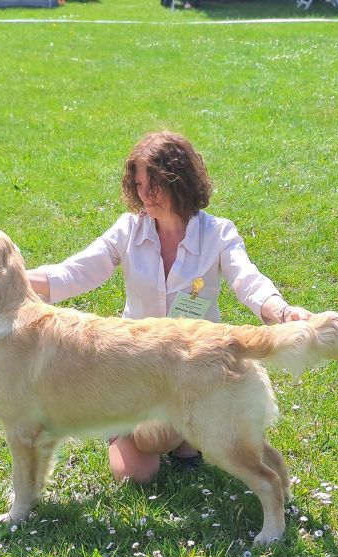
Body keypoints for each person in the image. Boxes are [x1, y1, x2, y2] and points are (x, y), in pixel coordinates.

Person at [26, 132, 312, 485]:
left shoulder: (217, 233)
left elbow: (248, 281)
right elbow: (76, 272)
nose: (145, 195)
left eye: (155, 185)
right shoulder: (129, 229)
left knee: (172, 427)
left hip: (193, 365)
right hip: (134, 366)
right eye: (140, 184)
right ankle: (160, 431)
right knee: (137, 475)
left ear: (180, 182)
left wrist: (283, 313)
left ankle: (191, 431)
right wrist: (12, 277)